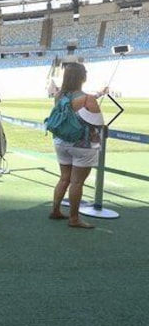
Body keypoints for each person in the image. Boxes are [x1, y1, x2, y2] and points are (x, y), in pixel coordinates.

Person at [49, 63, 104, 229]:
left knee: (64, 178)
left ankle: (55, 210)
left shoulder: (59, 96)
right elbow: (98, 123)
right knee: (77, 183)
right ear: (83, 77)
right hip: (82, 145)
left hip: (61, 142)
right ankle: (74, 219)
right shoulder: (88, 99)